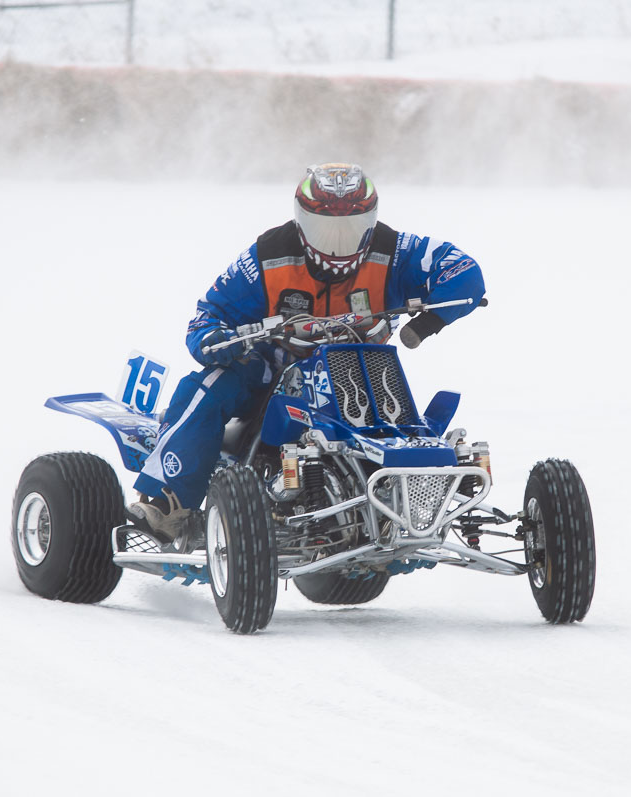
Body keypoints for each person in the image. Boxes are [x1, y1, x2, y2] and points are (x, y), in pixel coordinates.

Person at [126, 163, 486, 544]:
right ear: (300, 221)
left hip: (362, 369)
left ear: (372, 220)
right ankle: (168, 503)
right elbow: (208, 316)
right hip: (272, 370)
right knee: (210, 384)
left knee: (415, 427)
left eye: (351, 226)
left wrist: (425, 325)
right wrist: (215, 339)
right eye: (324, 227)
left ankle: (401, 496)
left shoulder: (397, 251)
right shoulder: (267, 255)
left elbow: (463, 272)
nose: (337, 239)